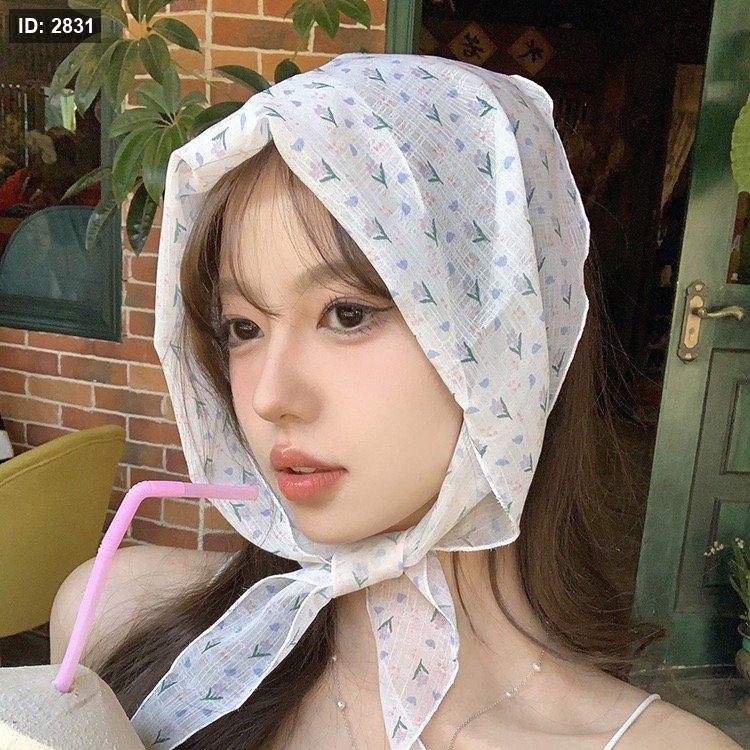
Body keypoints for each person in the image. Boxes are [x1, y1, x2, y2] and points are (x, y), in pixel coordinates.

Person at [50, 53, 740, 749]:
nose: (270, 397)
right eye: (243, 328)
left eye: (347, 314)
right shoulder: (110, 612)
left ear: (506, 338)